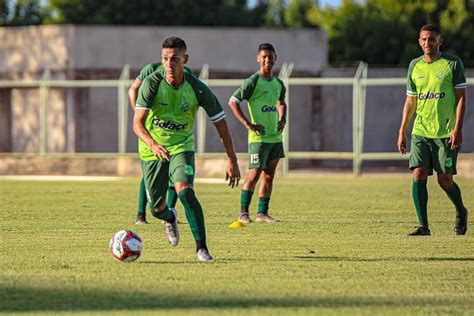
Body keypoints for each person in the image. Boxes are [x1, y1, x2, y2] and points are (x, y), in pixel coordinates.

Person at [133, 36, 241, 261]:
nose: (169, 64)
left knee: (185, 191)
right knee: (156, 208)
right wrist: (153, 144)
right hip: (152, 150)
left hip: (182, 146)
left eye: (174, 59)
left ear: (185, 60)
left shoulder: (197, 88)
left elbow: (221, 124)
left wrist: (232, 159)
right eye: (165, 59)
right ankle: (169, 218)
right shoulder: (152, 83)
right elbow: (137, 123)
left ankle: (202, 248)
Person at [397, 24, 468, 236]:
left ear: (440, 41)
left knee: (444, 180)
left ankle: (461, 211)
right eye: (424, 39)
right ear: (419, 42)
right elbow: (411, 101)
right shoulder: (414, 66)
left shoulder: (453, 64)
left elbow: (461, 98)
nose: (428, 43)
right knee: (418, 173)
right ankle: (424, 226)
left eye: (432, 39)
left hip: (445, 132)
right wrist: (402, 130)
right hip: (421, 130)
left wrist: (458, 128)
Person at [128, 63, 194, 225]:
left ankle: (169, 213)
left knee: (175, 174)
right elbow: (132, 90)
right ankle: (141, 214)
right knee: (150, 173)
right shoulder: (151, 70)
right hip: (151, 131)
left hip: (173, 132)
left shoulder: (187, 74)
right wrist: (139, 113)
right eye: (167, 57)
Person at [228, 43, 287, 224]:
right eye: (264, 57)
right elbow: (233, 101)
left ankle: (262, 213)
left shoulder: (278, 83)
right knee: (254, 176)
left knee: (269, 176)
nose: (267, 60)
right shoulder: (253, 81)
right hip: (259, 138)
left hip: (275, 138)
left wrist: (283, 119)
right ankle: (243, 213)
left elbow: (281, 102)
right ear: (258, 59)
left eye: (270, 57)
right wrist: (248, 124)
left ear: (275, 59)